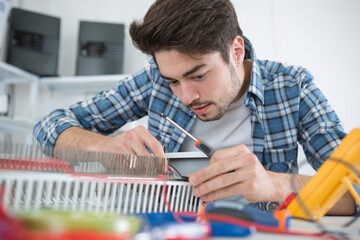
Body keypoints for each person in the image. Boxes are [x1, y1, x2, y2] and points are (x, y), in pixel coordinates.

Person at [33, 0, 355, 214]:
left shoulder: (292, 88)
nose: (186, 96)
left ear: (236, 50)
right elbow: (49, 125)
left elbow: (353, 188)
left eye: (198, 75)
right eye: (173, 81)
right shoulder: (155, 81)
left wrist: (275, 184)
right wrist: (105, 146)